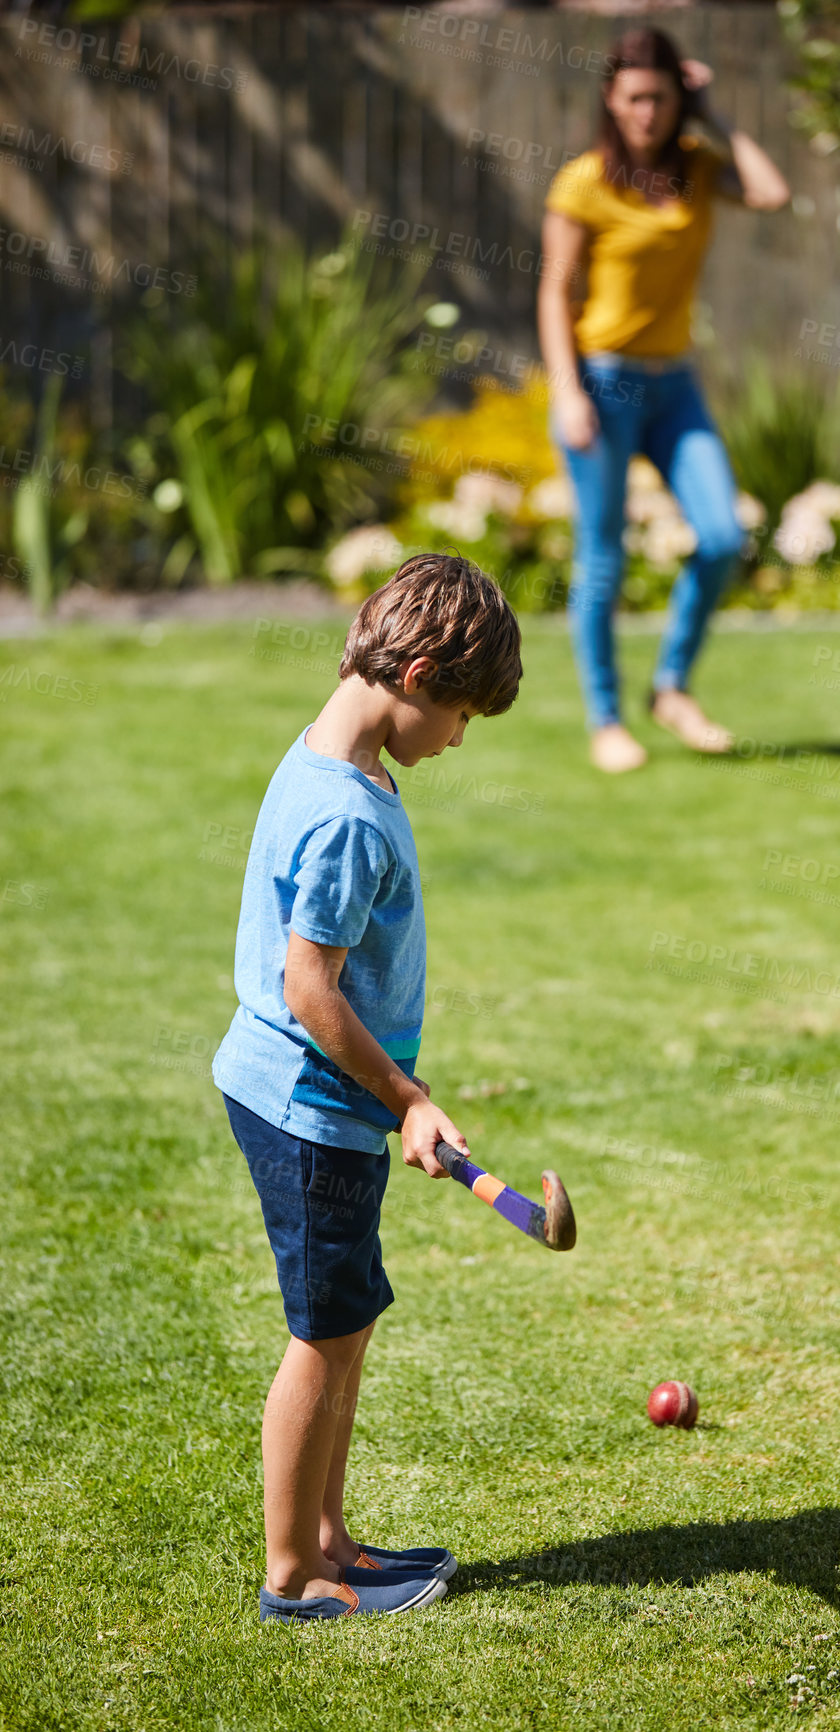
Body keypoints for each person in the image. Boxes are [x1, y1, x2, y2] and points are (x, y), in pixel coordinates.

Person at [211, 553, 522, 1623]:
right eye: (462, 713)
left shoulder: (329, 759)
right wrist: (406, 1098)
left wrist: (396, 1093)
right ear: (420, 670)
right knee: (322, 1332)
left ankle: (333, 1540)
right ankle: (294, 1574)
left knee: (347, 1319)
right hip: (309, 1106)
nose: (458, 738)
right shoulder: (344, 812)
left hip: (319, 1101)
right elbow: (311, 989)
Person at [539, 27, 790, 773]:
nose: (646, 112)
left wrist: (716, 112)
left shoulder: (699, 169)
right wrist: (566, 392)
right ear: (611, 104)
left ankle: (672, 687)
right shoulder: (582, 181)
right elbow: (555, 289)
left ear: (679, 97)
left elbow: (773, 193)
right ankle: (606, 719)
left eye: (660, 97)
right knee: (603, 559)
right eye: (633, 99)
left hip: (675, 385)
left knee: (721, 536)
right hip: (603, 382)